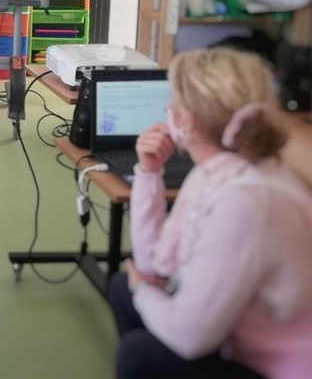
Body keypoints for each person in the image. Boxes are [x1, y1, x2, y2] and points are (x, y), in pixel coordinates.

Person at [111, 48, 312, 379]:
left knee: (139, 354)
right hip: (238, 337)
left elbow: (190, 338)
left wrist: (143, 291)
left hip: (280, 368)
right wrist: (149, 172)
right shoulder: (214, 172)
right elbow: (153, 265)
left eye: (174, 101)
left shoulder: (248, 201)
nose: (167, 109)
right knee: (123, 288)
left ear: (188, 120)